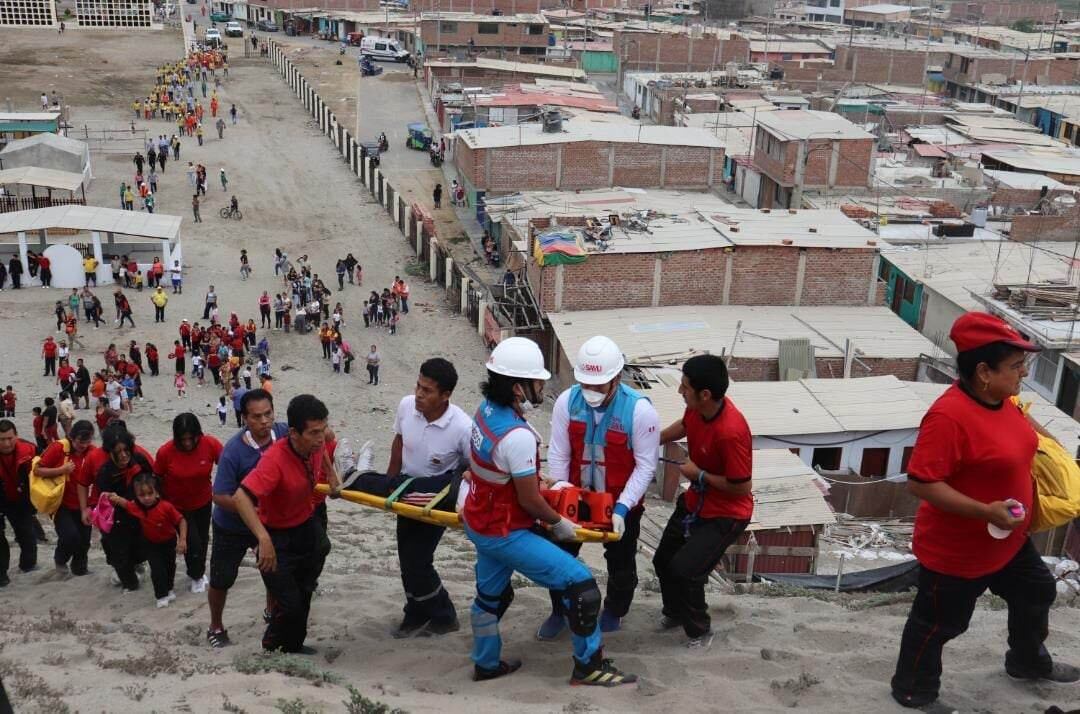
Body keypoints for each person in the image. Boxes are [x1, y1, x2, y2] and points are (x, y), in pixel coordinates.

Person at [890, 312, 1080, 709]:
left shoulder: (1004, 400)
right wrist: (985, 511)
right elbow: (921, 482)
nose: (1024, 372)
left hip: (1008, 540)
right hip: (958, 550)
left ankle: (1026, 662)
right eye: (1015, 366)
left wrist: (1060, 458)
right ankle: (913, 690)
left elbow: (1026, 432)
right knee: (939, 623)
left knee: (1037, 592)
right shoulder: (949, 417)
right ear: (983, 372)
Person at [461, 337, 636, 686]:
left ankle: (486, 663)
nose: (542, 386)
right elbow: (529, 501)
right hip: (506, 530)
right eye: (537, 381)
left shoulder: (485, 413)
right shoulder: (518, 436)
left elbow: (497, 473)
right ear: (517, 387)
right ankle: (588, 667)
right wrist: (560, 524)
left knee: (488, 598)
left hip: (480, 520)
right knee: (582, 585)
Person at [538, 336, 659, 639]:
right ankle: (559, 611)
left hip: (621, 502)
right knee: (558, 556)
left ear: (616, 378)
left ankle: (615, 610)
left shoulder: (640, 411)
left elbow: (646, 465)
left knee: (621, 562)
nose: (590, 392)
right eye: (586, 384)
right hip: (575, 497)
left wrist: (622, 507)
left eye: (598, 386)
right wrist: (562, 490)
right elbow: (560, 452)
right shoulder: (568, 401)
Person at [654, 354, 752, 649]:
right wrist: (651, 439)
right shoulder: (697, 410)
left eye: (684, 387)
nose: (680, 392)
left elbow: (741, 487)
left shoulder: (731, 432)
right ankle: (674, 613)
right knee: (663, 560)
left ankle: (699, 631)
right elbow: (684, 426)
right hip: (696, 501)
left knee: (688, 570)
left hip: (726, 512)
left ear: (705, 394)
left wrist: (700, 474)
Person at [368, 359, 472, 636]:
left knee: (418, 560)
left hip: (436, 499)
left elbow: (473, 466)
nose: (419, 394)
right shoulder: (406, 406)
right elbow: (399, 441)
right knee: (406, 559)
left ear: (446, 395)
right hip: (404, 493)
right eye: (418, 386)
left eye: (427, 390)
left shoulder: (462, 427)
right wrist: (389, 482)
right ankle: (414, 612)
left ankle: (444, 614)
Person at [232, 394, 339, 653]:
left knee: (305, 590)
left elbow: (324, 445)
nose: (319, 438)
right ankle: (271, 644)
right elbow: (240, 498)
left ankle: (294, 646)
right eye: (313, 433)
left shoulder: (315, 443)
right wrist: (263, 539)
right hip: (275, 535)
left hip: (305, 523)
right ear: (293, 432)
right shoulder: (274, 460)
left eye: (322, 430)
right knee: (290, 603)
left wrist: (332, 475)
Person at [206, 389, 285, 647]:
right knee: (221, 578)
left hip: (268, 522)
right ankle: (216, 626)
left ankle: (271, 613)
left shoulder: (283, 434)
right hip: (231, 525)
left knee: (273, 571)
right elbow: (219, 495)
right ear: (244, 418)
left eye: (268, 414)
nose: (264, 421)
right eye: (256, 416)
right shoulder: (233, 451)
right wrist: (253, 508)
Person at [156, 414, 223, 595]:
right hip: (177, 506)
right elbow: (156, 477)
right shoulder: (165, 452)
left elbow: (226, 464)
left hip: (203, 501)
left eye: (190, 438)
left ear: (197, 435)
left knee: (202, 540)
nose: (187, 443)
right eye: (182, 439)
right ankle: (196, 575)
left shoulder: (210, 444)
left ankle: (197, 571)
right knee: (191, 542)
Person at [108, 473, 187, 608]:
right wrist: (114, 498)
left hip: (169, 542)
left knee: (170, 567)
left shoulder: (166, 507)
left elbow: (181, 521)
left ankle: (169, 589)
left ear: (157, 492)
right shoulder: (136, 507)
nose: (146, 498)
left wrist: (183, 540)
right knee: (157, 570)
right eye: (142, 495)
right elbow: (125, 504)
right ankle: (161, 595)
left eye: (150, 493)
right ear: (136, 495)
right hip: (151, 544)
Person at [95, 425, 156, 591]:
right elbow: (104, 505)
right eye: (118, 451)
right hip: (117, 521)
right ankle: (130, 585)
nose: (123, 455)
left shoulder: (140, 461)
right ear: (109, 452)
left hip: (140, 513)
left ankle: (136, 565)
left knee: (145, 547)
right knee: (120, 556)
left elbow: (153, 484)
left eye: (126, 450)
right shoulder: (105, 473)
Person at [0, 420, 38, 586]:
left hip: (21, 500)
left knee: (27, 535)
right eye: (1, 439)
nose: (6, 443)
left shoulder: (29, 449)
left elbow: (43, 470)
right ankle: (1, 576)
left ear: (17, 436)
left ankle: (28, 565)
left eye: (10, 438)